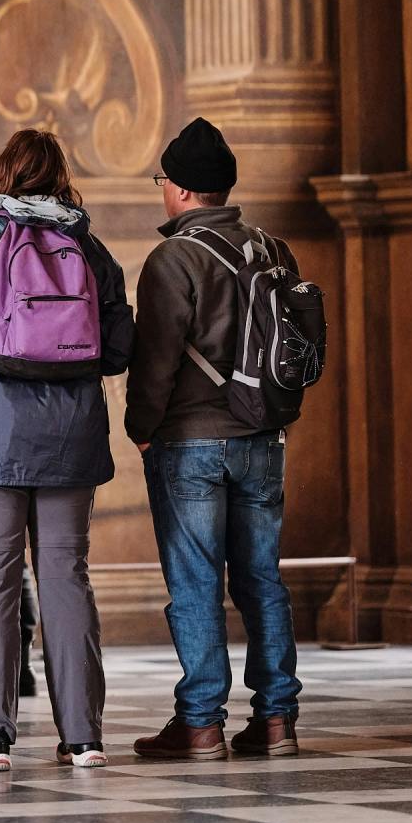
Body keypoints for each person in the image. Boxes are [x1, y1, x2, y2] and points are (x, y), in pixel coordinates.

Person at [0, 129, 133, 772]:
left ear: (3, 176)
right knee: (67, 579)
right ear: (60, 176)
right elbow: (119, 350)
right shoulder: (90, 250)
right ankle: (84, 736)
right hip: (71, 442)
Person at [128, 118, 303, 761]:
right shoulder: (273, 250)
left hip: (189, 444)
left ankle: (200, 721)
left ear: (178, 189)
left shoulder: (172, 258)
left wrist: (141, 431)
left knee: (196, 581)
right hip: (264, 438)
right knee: (262, 579)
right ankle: (277, 718)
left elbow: (156, 361)